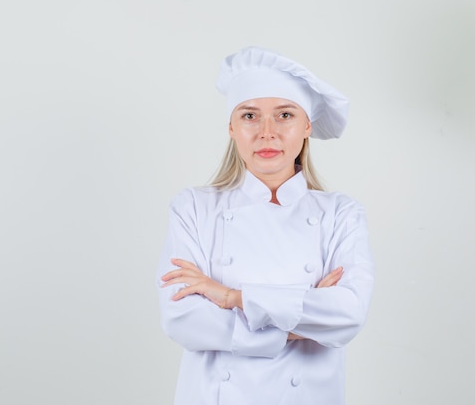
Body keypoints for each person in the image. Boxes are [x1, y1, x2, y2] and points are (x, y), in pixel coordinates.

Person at [156, 46, 374, 405]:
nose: (267, 132)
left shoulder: (341, 213)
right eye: (250, 116)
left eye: (284, 115)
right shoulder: (193, 208)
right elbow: (181, 318)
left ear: (306, 127)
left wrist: (231, 298)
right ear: (231, 127)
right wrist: (299, 323)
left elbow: (348, 314)